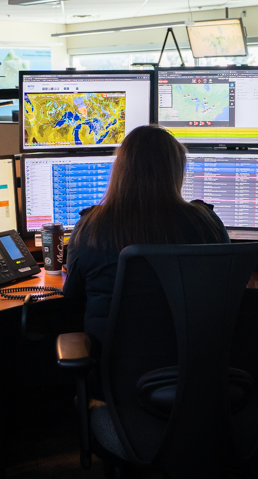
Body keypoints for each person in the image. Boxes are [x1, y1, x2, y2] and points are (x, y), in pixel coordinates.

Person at [62, 125, 229, 351]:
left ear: (120, 170)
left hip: (116, 375)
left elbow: (73, 295)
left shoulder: (91, 227)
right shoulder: (206, 223)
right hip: (194, 371)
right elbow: (225, 284)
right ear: (176, 172)